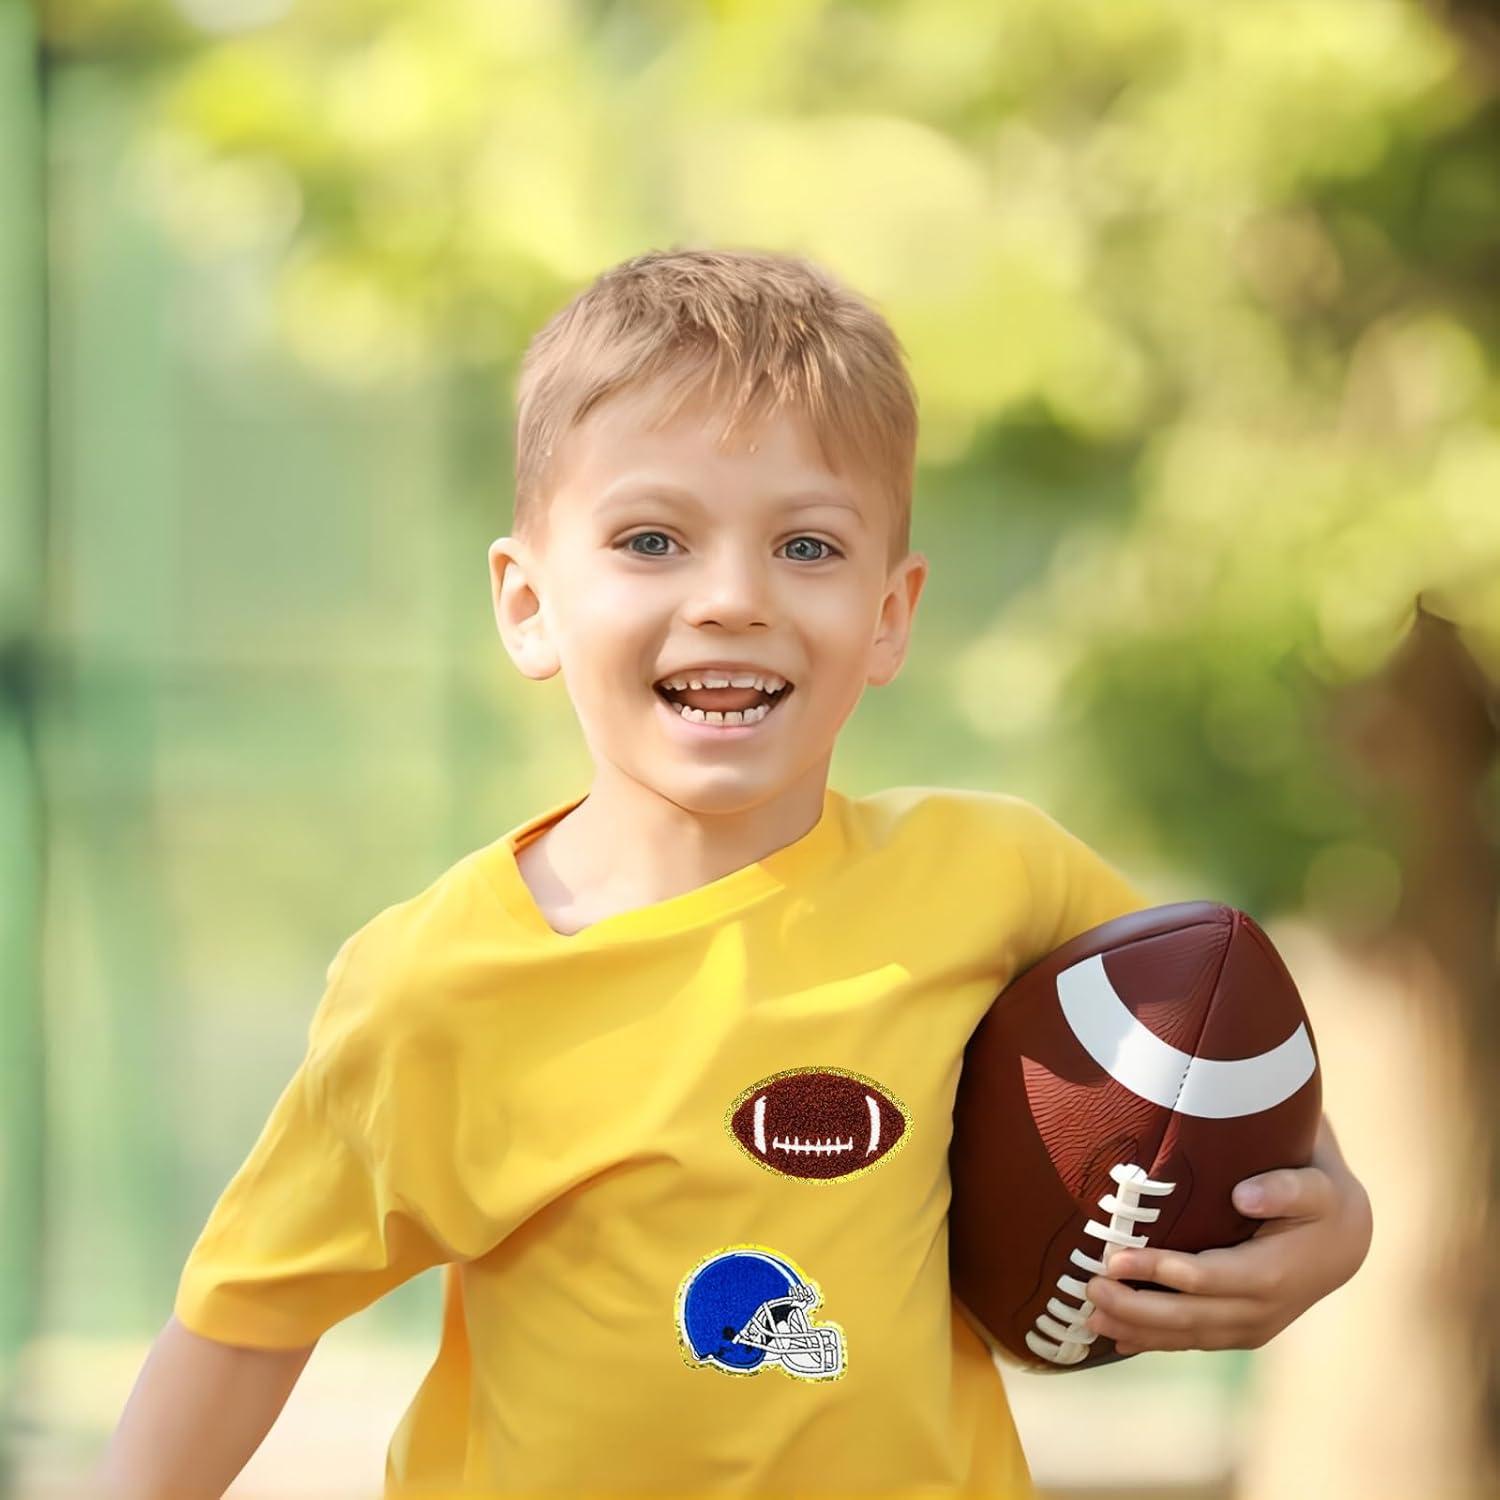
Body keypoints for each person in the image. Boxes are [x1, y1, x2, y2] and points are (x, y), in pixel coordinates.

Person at [97, 247, 1373, 1499]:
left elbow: (1225, 1071)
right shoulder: (436, 986)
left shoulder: (1003, 879)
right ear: (529, 605)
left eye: (807, 548)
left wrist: (1333, 1231)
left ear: (889, 615)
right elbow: (245, 1323)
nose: (731, 599)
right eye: (651, 539)